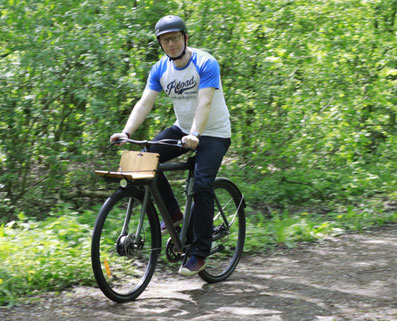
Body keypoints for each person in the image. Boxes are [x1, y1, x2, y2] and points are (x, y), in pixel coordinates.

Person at [110, 15, 231, 277]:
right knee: (146, 157)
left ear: (185, 38)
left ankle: (199, 254)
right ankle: (175, 216)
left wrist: (196, 133)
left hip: (213, 133)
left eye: (175, 38)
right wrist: (126, 131)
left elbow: (205, 103)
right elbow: (145, 102)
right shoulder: (160, 70)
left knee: (201, 184)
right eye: (166, 40)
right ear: (161, 44)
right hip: (183, 129)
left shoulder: (205, 63)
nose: (171, 44)